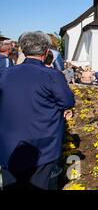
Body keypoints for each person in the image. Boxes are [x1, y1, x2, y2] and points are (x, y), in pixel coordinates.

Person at [0, 31, 75, 190]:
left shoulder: (4, 74)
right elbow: (68, 101)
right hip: (42, 147)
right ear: (46, 52)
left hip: (8, 147)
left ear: (22, 51)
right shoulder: (52, 75)